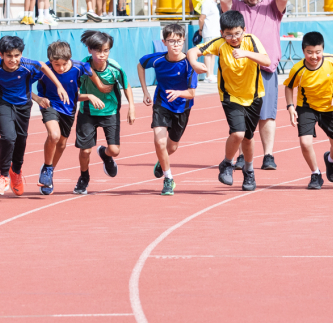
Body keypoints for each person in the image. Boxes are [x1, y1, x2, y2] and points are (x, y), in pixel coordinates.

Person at [188, 10, 271, 191]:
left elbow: (266, 61)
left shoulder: (251, 40)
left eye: (237, 34)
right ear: (222, 33)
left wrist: (246, 53)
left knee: (248, 138)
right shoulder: (219, 44)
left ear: (244, 30)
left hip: (254, 96)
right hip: (230, 97)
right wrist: (194, 63)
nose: (233, 38)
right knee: (238, 133)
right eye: (228, 35)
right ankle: (227, 163)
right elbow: (193, 51)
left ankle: (249, 171)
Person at [0, 36, 59, 197]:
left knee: (21, 139)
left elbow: (42, 66)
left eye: (16, 55)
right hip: (3, 103)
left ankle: (16, 171)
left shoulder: (28, 65)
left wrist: (58, 86)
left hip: (23, 105)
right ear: (1, 55)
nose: (13, 60)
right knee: (8, 137)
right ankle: (3, 177)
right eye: (9, 56)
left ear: (21, 54)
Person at [221, 0, 287, 171]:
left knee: (266, 115)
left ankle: (268, 155)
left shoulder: (271, 6)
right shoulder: (236, 7)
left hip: (265, 69)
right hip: (241, 71)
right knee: (243, 115)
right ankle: (242, 156)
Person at [34, 41, 107, 193]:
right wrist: (38, 98)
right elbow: (21, 86)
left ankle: (49, 172)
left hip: (68, 109)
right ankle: (47, 169)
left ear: (70, 59)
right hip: (49, 104)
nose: (60, 68)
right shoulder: (43, 70)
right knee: (54, 135)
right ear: (50, 60)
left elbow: (94, 76)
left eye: (64, 64)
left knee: (61, 144)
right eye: (56, 64)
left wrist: (94, 93)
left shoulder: (79, 68)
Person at [138, 24, 198, 195]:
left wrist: (178, 93)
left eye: (178, 41)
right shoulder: (157, 59)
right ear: (164, 42)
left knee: (171, 147)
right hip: (162, 104)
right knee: (160, 142)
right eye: (171, 41)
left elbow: (192, 93)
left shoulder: (189, 64)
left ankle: (161, 161)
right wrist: (145, 91)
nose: (175, 45)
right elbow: (140, 65)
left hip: (182, 107)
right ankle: (168, 178)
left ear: (184, 41)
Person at [74, 30, 135, 195]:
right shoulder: (81, 67)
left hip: (110, 112)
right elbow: (73, 93)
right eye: (98, 51)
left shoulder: (115, 68)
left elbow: (126, 85)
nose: (102, 55)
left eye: (106, 51)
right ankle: (84, 177)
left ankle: (104, 154)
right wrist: (87, 96)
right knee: (85, 150)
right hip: (87, 112)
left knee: (115, 150)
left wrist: (132, 107)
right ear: (90, 50)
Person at [283, 31, 333, 190]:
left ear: (323, 49)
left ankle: (331, 160)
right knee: (305, 142)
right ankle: (315, 174)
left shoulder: (332, 61)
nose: (314, 56)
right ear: (303, 51)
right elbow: (289, 87)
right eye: (309, 52)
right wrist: (290, 107)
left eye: (318, 52)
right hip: (307, 107)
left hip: (329, 107)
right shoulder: (298, 69)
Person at [198, 0, 222, 82]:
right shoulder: (207, 2)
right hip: (209, 31)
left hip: (215, 32)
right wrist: (200, 29)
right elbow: (201, 18)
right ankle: (208, 76)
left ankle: (211, 74)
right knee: (208, 53)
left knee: (213, 54)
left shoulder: (213, 3)